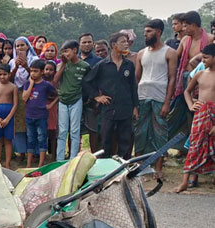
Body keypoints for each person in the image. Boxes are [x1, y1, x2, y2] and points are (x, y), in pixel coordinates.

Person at [134, 19, 178, 178]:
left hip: (160, 98)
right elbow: (136, 78)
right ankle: (138, 166)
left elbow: (172, 78)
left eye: (149, 31)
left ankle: (158, 168)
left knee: (160, 132)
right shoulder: (141, 53)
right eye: (145, 32)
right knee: (140, 131)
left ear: (158, 32)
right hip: (142, 96)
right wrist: (134, 104)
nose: (145, 35)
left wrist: (167, 102)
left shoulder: (170, 52)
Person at [85, 32, 139, 159]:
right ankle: (105, 168)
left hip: (125, 107)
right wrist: (97, 97)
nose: (126, 44)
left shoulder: (129, 65)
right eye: (123, 42)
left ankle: (123, 168)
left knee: (125, 139)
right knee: (106, 139)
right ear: (114, 45)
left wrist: (135, 107)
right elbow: (87, 82)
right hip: (108, 108)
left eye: (127, 41)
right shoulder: (102, 65)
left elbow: (133, 86)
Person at [175, 43, 215, 192]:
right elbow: (187, 91)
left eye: (206, 58)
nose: (203, 61)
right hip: (201, 113)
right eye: (202, 58)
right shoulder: (200, 73)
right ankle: (185, 182)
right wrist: (191, 104)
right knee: (195, 146)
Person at [54, 40, 90, 160]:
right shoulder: (62, 65)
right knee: (62, 131)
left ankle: (73, 158)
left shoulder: (84, 66)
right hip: (63, 100)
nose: (64, 54)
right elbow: (55, 81)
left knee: (75, 131)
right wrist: (63, 65)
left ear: (74, 50)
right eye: (63, 52)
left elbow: (89, 83)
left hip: (76, 100)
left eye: (66, 51)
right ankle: (60, 159)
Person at [23, 60, 58, 168]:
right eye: (31, 71)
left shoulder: (46, 85)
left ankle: (41, 164)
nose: (33, 73)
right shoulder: (28, 83)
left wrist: (51, 105)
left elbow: (58, 94)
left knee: (42, 139)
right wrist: (32, 83)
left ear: (42, 72)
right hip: (29, 116)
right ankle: (29, 164)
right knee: (30, 139)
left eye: (36, 71)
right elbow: (24, 98)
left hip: (41, 116)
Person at [9, 37, 39, 155]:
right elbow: (9, 79)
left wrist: (26, 66)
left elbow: (37, 75)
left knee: (32, 122)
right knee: (19, 124)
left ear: (28, 46)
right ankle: (21, 152)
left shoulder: (35, 60)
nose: (20, 48)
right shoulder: (12, 62)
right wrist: (16, 67)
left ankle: (34, 152)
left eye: (22, 45)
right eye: (17, 46)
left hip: (33, 94)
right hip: (17, 94)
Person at [0, 64, 18, 168]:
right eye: (0, 74)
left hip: (8, 116)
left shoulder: (13, 87)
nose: (2, 77)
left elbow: (15, 104)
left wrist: (8, 119)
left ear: (9, 74)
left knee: (8, 140)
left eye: (5, 74)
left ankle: (7, 163)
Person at [44, 60, 59, 159]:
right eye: (46, 69)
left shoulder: (56, 83)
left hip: (53, 108)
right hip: (41, 108)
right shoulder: (40, 81)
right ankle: (40, 155)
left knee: (52, 133)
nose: (48, 71)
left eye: (51, 70)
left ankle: (54, 156)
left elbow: (58, 95)